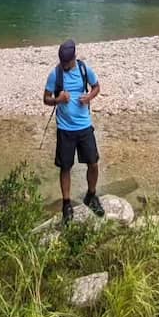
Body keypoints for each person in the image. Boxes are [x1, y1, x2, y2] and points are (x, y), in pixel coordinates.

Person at [42, 38, 104, 223]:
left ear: (74, 58)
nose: (64, 65)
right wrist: (58, 100)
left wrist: (89, 97)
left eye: (66, 63)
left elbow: (96, 87)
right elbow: (46, 99)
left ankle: (91, 195)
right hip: (65, 129)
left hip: (84, 126)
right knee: (65, 167)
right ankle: (66, 204)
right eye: (61, 62)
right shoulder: (55, 74)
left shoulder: (84, 69)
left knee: (93, 163)